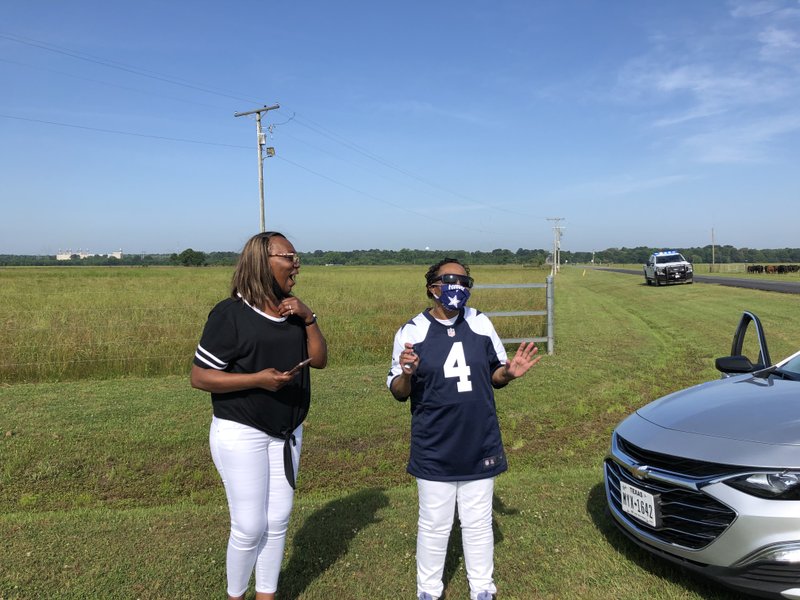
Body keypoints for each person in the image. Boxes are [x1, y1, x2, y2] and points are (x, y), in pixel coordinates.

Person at [387, 258, 540, 600]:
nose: (457, 287)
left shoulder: (481, 322)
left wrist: (510, 373)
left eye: (464, 281)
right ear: (432, 287)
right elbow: (398, 391)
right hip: (435, 444)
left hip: (479, 440)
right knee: (435, 524)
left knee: (477, 521)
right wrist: (407, 373)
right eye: (449, 280)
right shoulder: (411, 332)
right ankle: (428, 590)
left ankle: (482, 588)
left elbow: (496, 375)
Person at [190, 231, 327, 600]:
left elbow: (320, 359)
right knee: (250, 526)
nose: (296, 265)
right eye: (289, 257)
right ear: (261, 263)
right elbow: (199, 377)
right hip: (241, 430)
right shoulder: (230, 315)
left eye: (297, 257)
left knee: (278, 520)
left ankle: (267, 596)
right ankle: (236, 595)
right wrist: (258, 380)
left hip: (288, 431)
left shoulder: (293, 311)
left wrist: (309, 316)